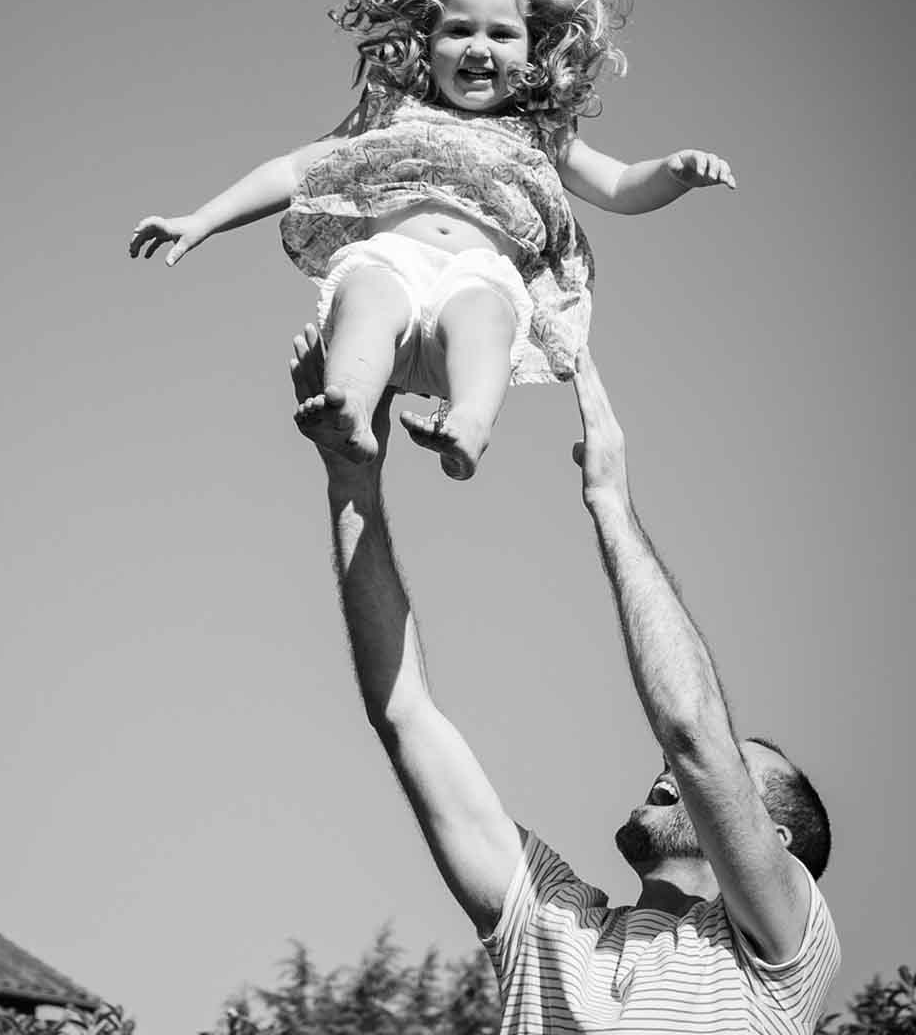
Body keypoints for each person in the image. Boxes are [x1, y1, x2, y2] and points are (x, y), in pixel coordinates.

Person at [288, 325, 839, 1033]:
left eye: (740, 775)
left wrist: (611, 505)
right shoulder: (552, 922)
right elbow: (405, 716)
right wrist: (351, 481)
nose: (672, 767)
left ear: (777, 844)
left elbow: (695, 734)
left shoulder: (784, 953)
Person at [131, 0, 734, 481]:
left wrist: (675, 172)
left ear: (534, 51)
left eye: (502, 33)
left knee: (485, 312)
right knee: (366, 296)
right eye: (459, 30)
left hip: (476, 279)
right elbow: (294, 168)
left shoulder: (540, 133)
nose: (479, 47)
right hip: (393, 261)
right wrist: (201, 219)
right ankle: (354, 415)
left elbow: (620, 186)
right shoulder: (392, 114)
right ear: (427, 39)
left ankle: (468, 426)